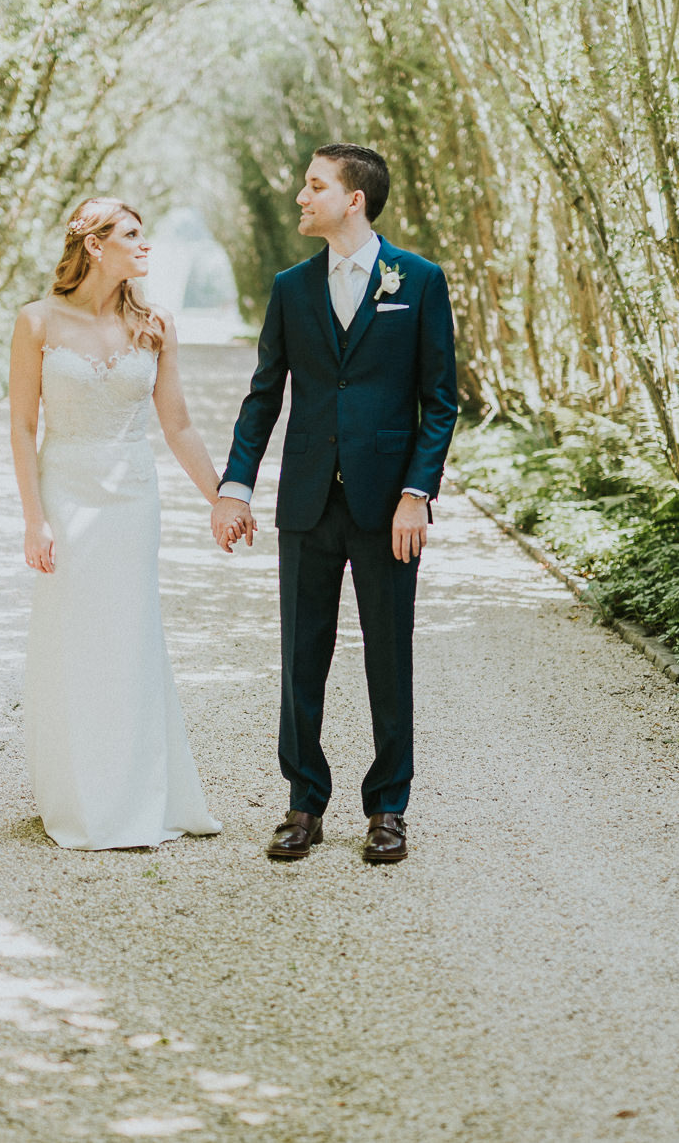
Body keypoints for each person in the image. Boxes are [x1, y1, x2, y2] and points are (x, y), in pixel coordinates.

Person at [210, 144, 458, 863]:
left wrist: (417, 495)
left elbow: (439, 403)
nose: (299, 196)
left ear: (354, 199)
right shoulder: (290, 286)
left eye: (314, 186)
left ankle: (388, 808)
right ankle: (303, 804)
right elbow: (265, 395)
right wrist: (235, 486)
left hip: (388, 508)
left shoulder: (418, 279)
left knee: (389, 656)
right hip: (308, 501)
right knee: (301, 658)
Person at [8, 197, 225, 850]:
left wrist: (223, 496)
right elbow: (21, 427)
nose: (145, 246)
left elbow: (178, 424)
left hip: (132, 499)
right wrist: (34, 520)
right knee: (75, 643)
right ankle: (79, 794)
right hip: (67, 496)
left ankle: (140, 793)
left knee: (130, 640)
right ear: (95, 245)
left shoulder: (155, 324)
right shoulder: (37, 322)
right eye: (132, 235)